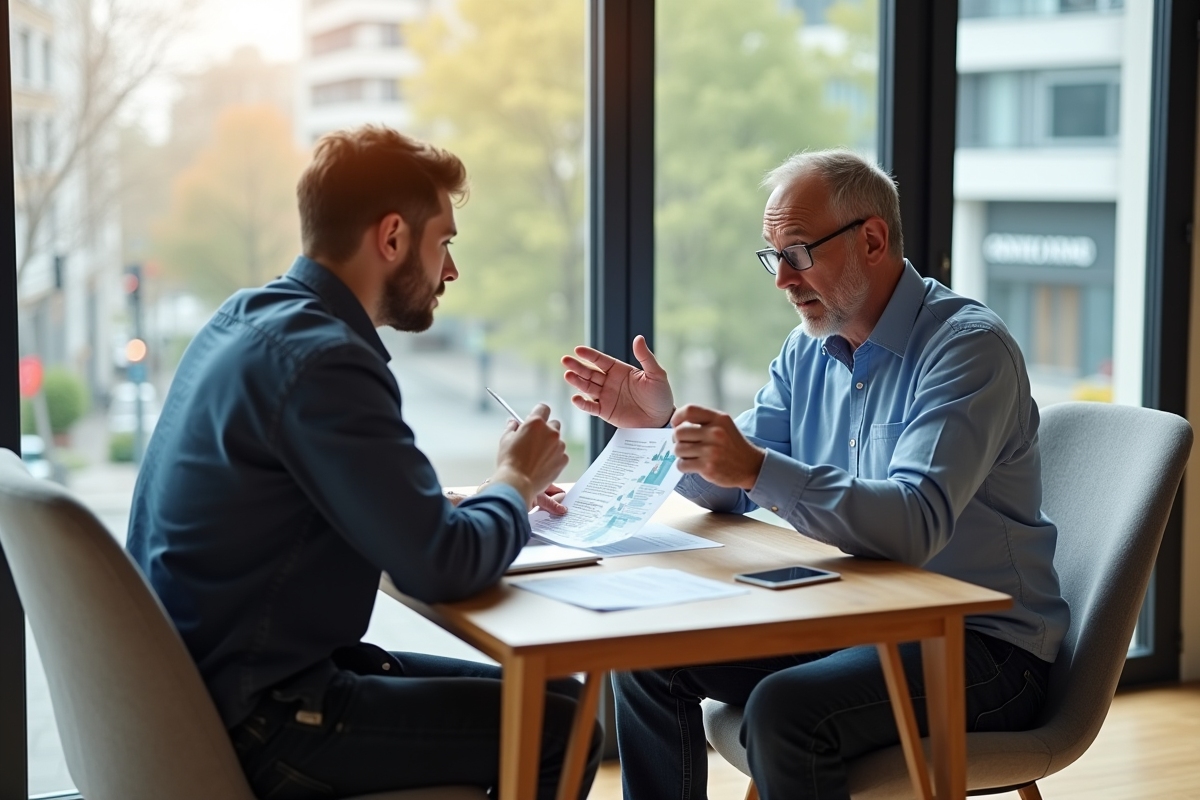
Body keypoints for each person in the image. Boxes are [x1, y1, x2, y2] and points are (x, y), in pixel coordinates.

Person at [561, 148, 1069, 800]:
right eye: (773, 256)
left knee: (784, 710)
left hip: (983, 649)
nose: (782, 279)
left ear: (873, 240)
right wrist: (658, 433)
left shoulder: (967, 349)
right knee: (646, 658)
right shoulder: (805, 350)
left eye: (797, 252)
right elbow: (733, 487)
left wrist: (757, 467)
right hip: (859, 620)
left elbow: (915, 524)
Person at [126, 125, 600, 800]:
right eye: (446, 243)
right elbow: (440, 567)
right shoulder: (327, 359)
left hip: (208, 691)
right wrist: (516, 482)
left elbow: (317, 509)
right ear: (392, 238)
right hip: (267, 717)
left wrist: (472, 506)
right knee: (562, 729)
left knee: (562, 702)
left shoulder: (246, 319)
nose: (452, 270)